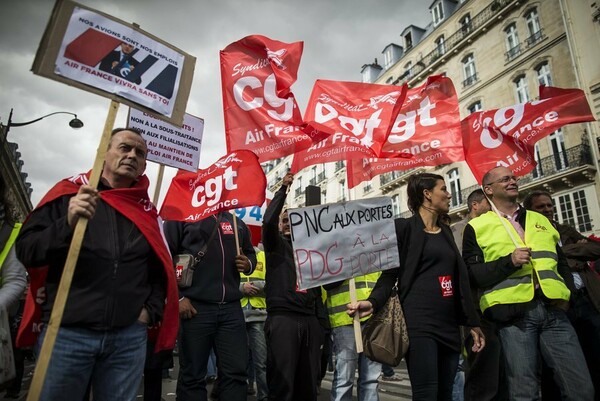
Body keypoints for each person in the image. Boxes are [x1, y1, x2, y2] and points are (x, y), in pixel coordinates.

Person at [15, 127, 178, 401]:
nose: (131, 156)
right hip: (67, 335)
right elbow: (28, 251)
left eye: (139, 153)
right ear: (104, 152)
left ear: (144, 166)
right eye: (124, 148)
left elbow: (160, 272)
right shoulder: (70, 194)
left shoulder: (148, 213)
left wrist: (148, 313)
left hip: (127, 339)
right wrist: (66, 223)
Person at [348, 172, 484, 400]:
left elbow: (458, 279)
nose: (449, 194)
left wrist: (471, 322)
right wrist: (372, 302)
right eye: (443, 189)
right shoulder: (404, 228)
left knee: (445, 393)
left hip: (449, 326)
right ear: (427, 194)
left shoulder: (447, 231)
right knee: (426, 393)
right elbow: (390, 274)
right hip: (419, 324)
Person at [462, 166, 594, 400]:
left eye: (513, 178)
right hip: (514, 319)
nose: (512, 181)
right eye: (505, 179)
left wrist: (568, 297)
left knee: (581, 389)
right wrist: (509, 261)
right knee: (524, 392)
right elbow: (473, 275)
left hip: (555, 312)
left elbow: (561, 263)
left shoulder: (539, 220)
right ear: (489, 190)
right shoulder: (476, 227)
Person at [164, 211, 256, 401]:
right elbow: (165, 256)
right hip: (196, 309)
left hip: (231, 309)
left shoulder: (236, 222)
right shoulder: (181, 216)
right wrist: (179, 298)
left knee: (236, 374)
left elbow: (250, 253)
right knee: (193, 376)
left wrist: (248, 264)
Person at [524, 190, 600, 400]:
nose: (547, 209)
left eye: (549, 205)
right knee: (561, 364)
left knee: (594, 353)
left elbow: (594, 248)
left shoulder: (564, 229)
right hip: (558, 305)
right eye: (541, 207)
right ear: (530, 210)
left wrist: (562, 252)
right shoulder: (526, 232)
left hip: (585, 300)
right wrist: (574, 251)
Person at [262, 172, 324, 401]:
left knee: (308, 385)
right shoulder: (275, 245)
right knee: (282, 384)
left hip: (310, 320)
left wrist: (320, 325)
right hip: (283, 320)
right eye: (285, 220)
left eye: (293, 220)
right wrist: (282, 191)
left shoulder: (311, 249)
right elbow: (268, 221)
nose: (288, 224)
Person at [325, 273, 382, 401]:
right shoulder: (334, 252)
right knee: (345, 379)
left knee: (371, 380)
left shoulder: (373, 251)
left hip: (375, 316)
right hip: (345, 318)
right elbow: (326, 282)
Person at [0, 219, 27, 398]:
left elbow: (15, 280)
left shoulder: (10, 230)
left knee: (18, 353)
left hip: (7, 315)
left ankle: (13, 390)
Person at [239, 245, 268, 401]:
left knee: (261, 362)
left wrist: (255, 287)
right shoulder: (230, 257)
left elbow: (272, 282)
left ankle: (264, 396)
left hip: (259, 315)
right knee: (237, 363)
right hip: (236, 315)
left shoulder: (263, 256)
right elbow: (224, 284)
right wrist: (242, 288)